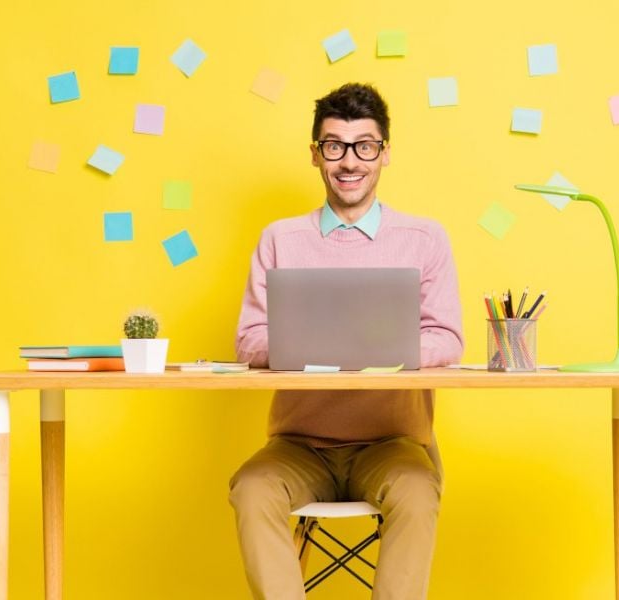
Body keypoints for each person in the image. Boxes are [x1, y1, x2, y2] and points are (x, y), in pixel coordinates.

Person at [230, 82, 464, 600]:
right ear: (315, 155)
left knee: (419, 492)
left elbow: (447, 337)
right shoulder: (280, 239)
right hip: (299, 445)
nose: (349, 161)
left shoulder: (425, 239)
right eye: (334, 146)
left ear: (384, 153)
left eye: (364, 146)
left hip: (395, 442)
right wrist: (313, 345)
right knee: (250, 488)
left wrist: (376, 349)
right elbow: (248, 341)